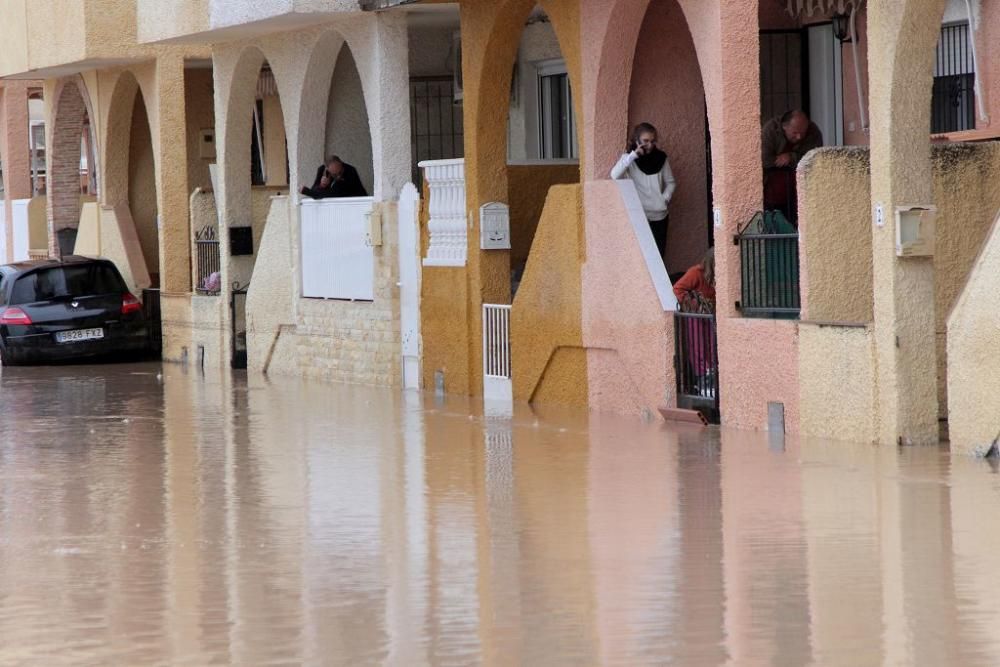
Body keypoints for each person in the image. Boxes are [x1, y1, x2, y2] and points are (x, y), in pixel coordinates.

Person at [610, 122, 676, 263]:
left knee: (659, 255)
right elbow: (614, 175)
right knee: (640, 257)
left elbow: (670, 182)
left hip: (659, 215)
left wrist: (664, 199)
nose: (649, 145)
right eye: (645, 141)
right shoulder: (629, 159)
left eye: (652, 141)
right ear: (637, 140)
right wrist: (633, 155)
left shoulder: (661, 158)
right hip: (639, 214)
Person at [761, 110, 823, 225]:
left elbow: (814, 159)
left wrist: (791, 157)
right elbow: (764, 160)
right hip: (770, 193)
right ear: (784, 127)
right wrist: (779, 161)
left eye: (802, 133)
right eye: (795, 133)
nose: (799, 137)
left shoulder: (813, 132)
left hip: (800, 193)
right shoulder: (770, 131)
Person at [673, 248, 717, 398]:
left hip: (710, 315)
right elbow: (677, 289)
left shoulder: (718, 278)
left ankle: (711, 378)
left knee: (711, 346)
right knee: (698, 347)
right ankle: (702, 379)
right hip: (695, 316)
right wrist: (695, 305)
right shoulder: (695, 273)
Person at [300, 155, 368, 199]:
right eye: (335, 174)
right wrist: (322, 185)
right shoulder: (322, 170)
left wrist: (308, 192)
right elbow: (314, 190)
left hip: (357, 202)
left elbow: (334, 193)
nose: (338, 176)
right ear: (327, 169)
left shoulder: (350, 171)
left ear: (341, 164)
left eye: (340, 172)